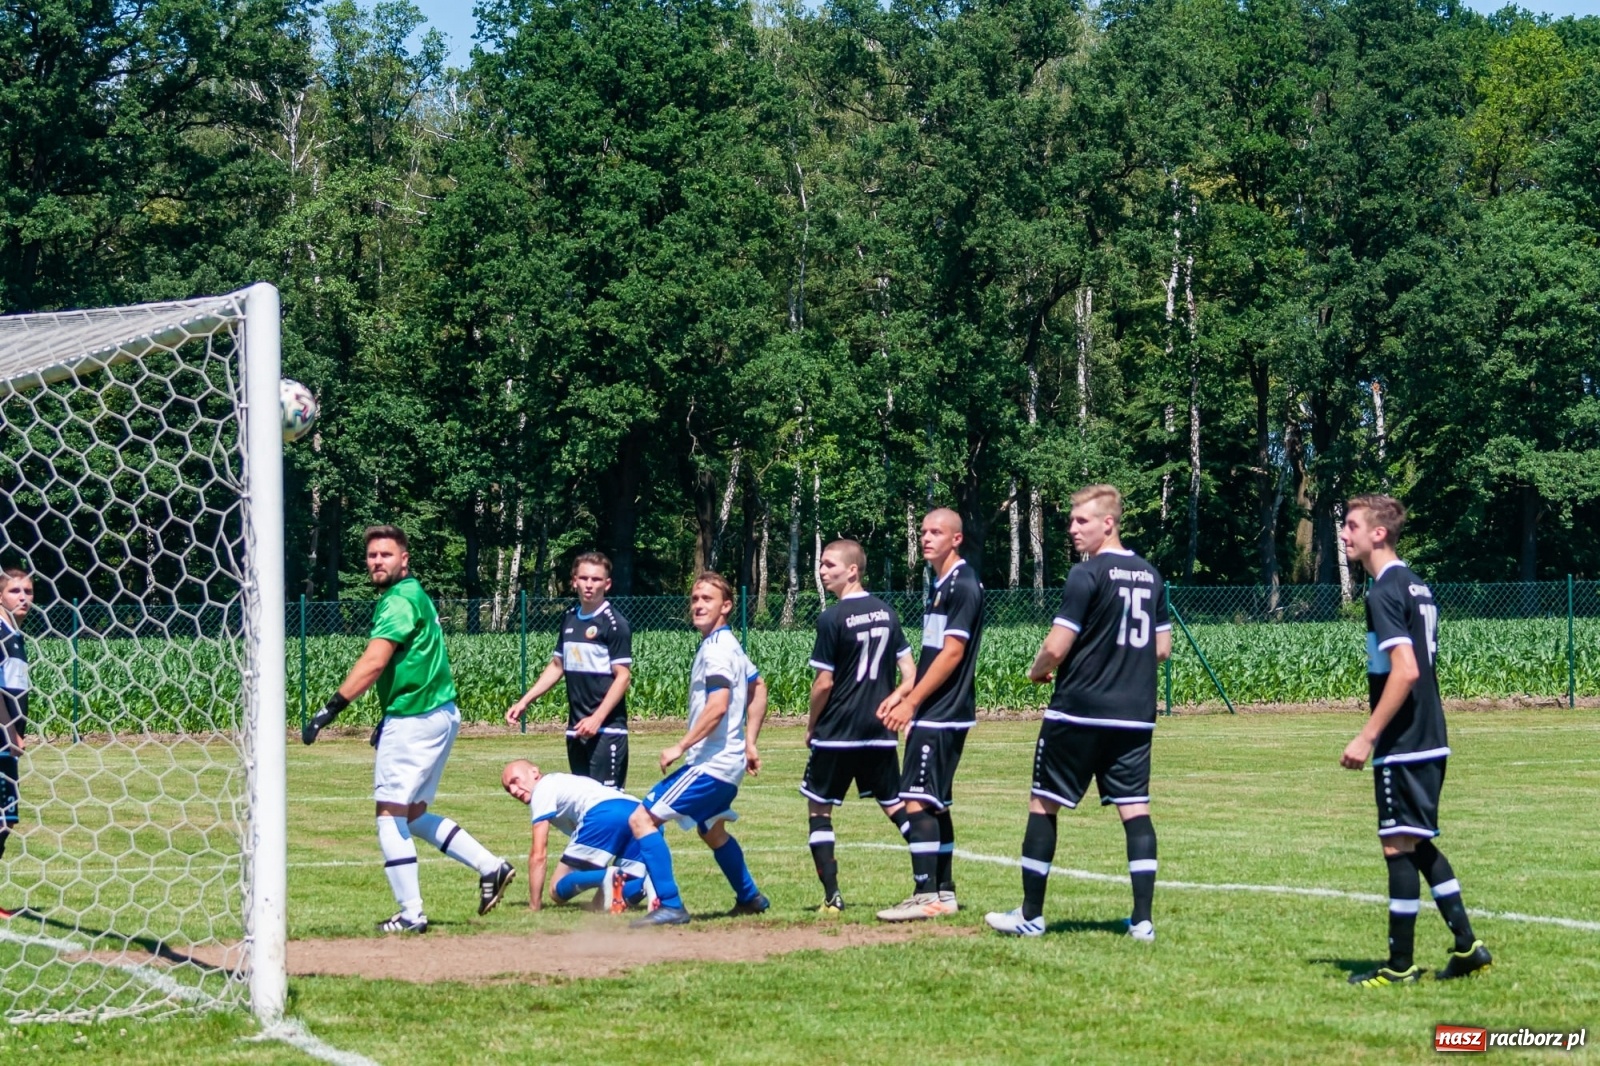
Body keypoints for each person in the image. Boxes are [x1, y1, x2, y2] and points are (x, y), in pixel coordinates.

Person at [302, 525, 514, 933]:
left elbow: (374, 662)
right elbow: (413, 665)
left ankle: (411, 913)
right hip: (436, 714)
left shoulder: (398, 601)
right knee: (413, 814)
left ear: (405, 559)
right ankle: (491, 866)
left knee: (389, 815)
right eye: (372, 556)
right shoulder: (414, 594)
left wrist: (328, 711)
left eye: (386, 554)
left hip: (416, 718)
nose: (377, 561)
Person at [984, 485, 1171, 940]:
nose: (1072, 529)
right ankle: (1143, 921)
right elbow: (1161, 649)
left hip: (1079, 713)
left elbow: (1055, 646)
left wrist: (1037, 672)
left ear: (1108, 523)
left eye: (1081, 521)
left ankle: (1030, 915)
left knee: (1043, 802)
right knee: (1135, 809)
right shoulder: (1152, 576)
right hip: (1134, 716)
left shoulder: (1085, 575)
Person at [1338, 496, 1492, 986]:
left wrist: (1368, 734)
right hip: (1431, 733)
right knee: (1416, 841)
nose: (1344, 534)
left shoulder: (1384, 591)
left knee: (1395, 845)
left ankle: (1400, 966)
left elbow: (1404, 670)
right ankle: (1467, 946)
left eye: (1350, 525)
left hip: (1405, 739)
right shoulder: (1418, 586)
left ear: (1378, 534)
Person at [633, 572, 769, 925]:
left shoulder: (718, 651)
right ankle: (750, 897)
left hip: (711, 765)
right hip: (727, 764)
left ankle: (671, 905)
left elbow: (719, 705)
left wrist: (680, 745)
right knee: (712, 831)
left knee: (642, 819)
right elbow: (759, 687)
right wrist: (750, 742)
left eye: (706, 599)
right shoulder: (730, 645)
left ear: (726, 606)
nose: (697, 605)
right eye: (694, 599)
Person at [875, 508, 984, 922]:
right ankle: (945, 891)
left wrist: (914, 702)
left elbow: (954, 653)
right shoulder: (939, 584)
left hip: (943, 711)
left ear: (956, 539)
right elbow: (934, 652)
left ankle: (926, 896)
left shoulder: (964, 584)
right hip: (934, 708)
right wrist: (902, 691)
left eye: (936, 532)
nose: (926, 537)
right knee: (935, 804)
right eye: (923, 531)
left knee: (916, 800)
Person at [803, 540, 916, 913]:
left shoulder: (832, 618)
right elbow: (910, 674)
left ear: (852, 570)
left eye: (829, 564)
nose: (822, 570)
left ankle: (831, 897)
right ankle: (932, 881)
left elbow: (823, 684)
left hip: (838, 731)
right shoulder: (887, 613)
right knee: (896, 807)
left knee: (819, 809)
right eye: (821, 564)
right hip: (879, 729)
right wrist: (897, 699)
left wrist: (811, 725)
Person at [505, 553, 633, 788]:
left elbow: (623, 677)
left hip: (606, 729)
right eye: (584, 578)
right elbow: (557, 666)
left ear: (607, 584)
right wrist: (525, 701)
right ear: (574, 581)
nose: (589, 584)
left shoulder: (614, 624)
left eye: (596, 579)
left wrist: (597, 718)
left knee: (608, 806)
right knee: (582, 804)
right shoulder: (569, 618)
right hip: (576, 730)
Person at [500, 760, 688, 918]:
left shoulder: (543, 788)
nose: (515, 790)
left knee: (556, 891)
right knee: (603, 903)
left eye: (515, 781)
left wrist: (534, 905)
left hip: (604, 813)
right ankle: (647, 884)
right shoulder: (568, 782)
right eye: (509, 789)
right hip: (638, 813)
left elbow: (538, 853)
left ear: (534, 772)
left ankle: (608, 875)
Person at [0, 569, 33, 920]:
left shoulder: (15, 635)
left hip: (7, 740)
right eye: (14, 591)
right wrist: (10, 730)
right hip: (1, 736)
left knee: (6, 819)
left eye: (28, 591)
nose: (22, 597)